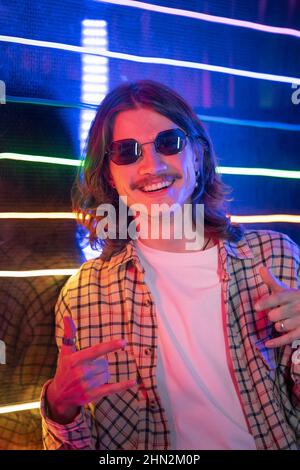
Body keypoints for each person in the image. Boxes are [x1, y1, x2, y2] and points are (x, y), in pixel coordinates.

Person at [40, 80, 300, 450]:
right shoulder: (84, 295)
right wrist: (60, 407)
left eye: (169, 143)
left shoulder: (273, 257)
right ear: (110, 177)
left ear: (198, 154)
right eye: (127, 152)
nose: (152, 165)